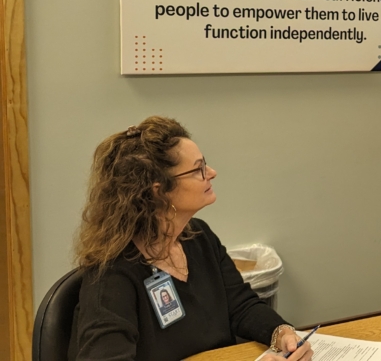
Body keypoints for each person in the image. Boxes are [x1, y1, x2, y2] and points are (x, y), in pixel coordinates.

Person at [69, 116, 313, 361]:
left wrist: (281, 333)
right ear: (160, 191)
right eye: (198, 169)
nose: (212, 173)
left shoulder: (199, 237)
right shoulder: (111, 276)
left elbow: (241, 307)